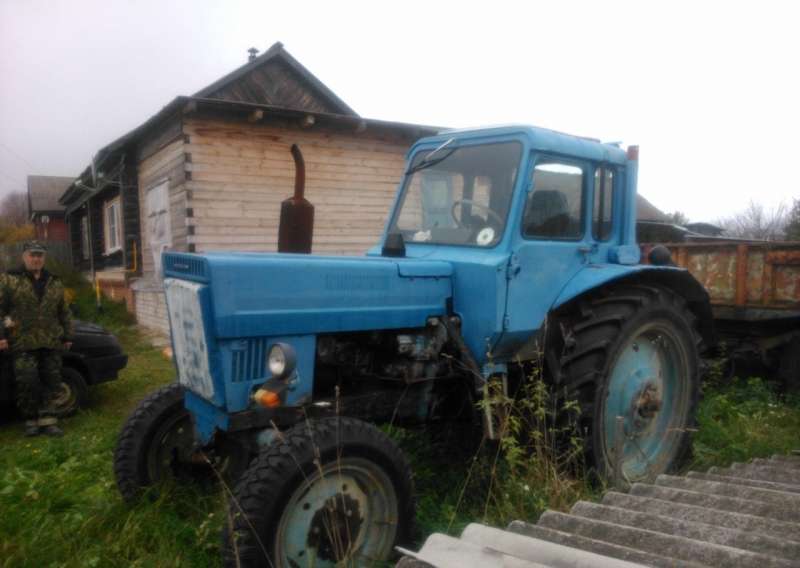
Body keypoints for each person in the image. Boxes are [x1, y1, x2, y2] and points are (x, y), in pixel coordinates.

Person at [0, 241, 73, 436]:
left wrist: (67, 334)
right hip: (22, 342)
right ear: (24, 257)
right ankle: (31, 420)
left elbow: (63, 311)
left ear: (44, 258)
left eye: (39, 255)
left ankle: (48, 420)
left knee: (51, 380)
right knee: (27, 381)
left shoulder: (54, 282)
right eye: (32, 255)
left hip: (50, 341)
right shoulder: (9, 279)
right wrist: (1, 336)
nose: (36, 258)